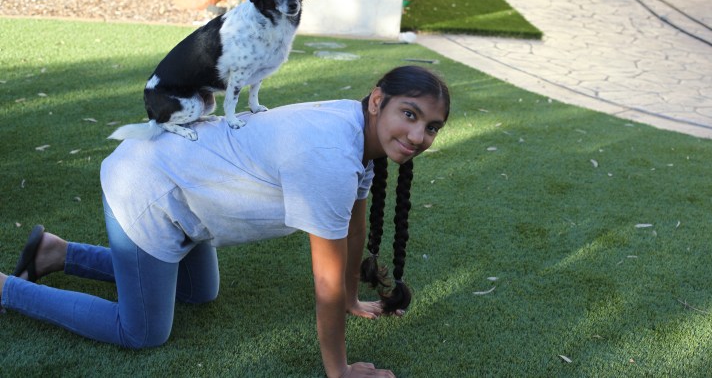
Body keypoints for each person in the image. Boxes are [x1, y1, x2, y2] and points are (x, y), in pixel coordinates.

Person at [0, 65, 451, 378]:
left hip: (191, 192)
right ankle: (8, 288)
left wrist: (354, 299)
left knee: (200, 292)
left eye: (431, 126)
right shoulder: (331, 156)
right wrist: (339, 370)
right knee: (140, 332)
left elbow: (354, 224)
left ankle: (55, 252)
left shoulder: (355, 128)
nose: (418, 136)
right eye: (409, 114)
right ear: (378, 101)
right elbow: (326, 282)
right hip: (149, 185)